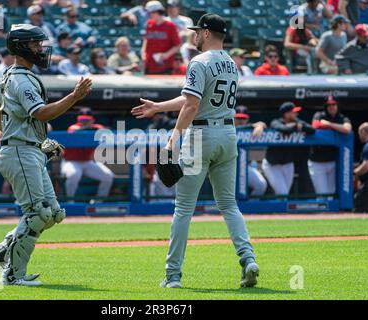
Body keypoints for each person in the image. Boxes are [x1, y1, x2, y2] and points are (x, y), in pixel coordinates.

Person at [131, 13, 259, 288]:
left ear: (208, 33)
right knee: (228, 204)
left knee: (184, 209)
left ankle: (173, 276)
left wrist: (171, 141)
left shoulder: (199, 61)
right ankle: (248, 258)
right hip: (227, 133)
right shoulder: (231, 64)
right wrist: (158, 106)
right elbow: (191, 99)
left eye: (198, 31)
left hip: (200, 135)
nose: (195, 35)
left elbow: (191, 106)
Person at [0, 24, 92, 286]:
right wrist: (74, 97)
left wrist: (35, 139)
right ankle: (12, 274)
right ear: (22, 47)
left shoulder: (9, 75)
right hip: (20, 152)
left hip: (24, 149)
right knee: (37, 213)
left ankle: (1, 251)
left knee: (53, 213)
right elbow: (42, 113)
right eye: (35, 44)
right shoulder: (20, 78)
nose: (41, 49)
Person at [262, 102, 315, 196]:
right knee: (282, 193)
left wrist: (299, 126)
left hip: (288, 164)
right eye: (293, 112)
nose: (296, 114)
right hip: (272, 164)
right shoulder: (276, 121)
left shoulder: (298, 121)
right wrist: (296, 127)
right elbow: (284, 130)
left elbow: (312, 130)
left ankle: (276, 211)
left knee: (284, 195)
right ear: (286, 114)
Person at [61, 108, 114, 201]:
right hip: (71, 162)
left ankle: (98, 201)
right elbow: (78, 131)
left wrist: (98, 129)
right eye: (82, 119)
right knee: (74, 174)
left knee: (108, 176)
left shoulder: (97, 127)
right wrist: (93, 129)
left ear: (92, 120)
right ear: (78, 119)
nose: (84, 122)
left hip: (87, 162)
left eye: (87, 119)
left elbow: (106, 131)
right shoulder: (72, 128)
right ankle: (69, 200)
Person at [309, 96, 352, 198]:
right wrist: (337, 128)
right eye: (329, 105)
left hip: (332, 161)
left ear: (337, 106)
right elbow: (315, 125)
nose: (331, 107)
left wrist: (329, 124)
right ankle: (322, 214)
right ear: (326, 107)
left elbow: (347, 129)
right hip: (317, 161)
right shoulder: (319, 115)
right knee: (322, 194)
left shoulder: (342, 118)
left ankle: (330, 214)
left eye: (334, 104)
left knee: (331, 194)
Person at [234, 105, 268, 196]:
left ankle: (252, 207)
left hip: (245, 166)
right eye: (238, 118)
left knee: (261, 185)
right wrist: (254, 125)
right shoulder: (227, 127)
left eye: (243, 118)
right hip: (226, 166)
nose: (241, 121)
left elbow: (262, 124)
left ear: (247, 119)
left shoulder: (250, 129)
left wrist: (260, 125)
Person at [141, 1, 181, 75]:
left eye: (150, 13)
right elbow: (146, 39)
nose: (148, 15)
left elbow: (177, 45)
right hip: (149, 64)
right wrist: (143, 51)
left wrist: (166, 54)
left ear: (157, 12)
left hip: (165, 66)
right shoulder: (149, 24)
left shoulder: (170, 26)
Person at [354, 122, 368, 212]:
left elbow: (367, 165)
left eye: (359, 133)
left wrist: (355, 172)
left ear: (363, 132)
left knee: (359, 209)